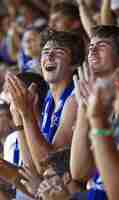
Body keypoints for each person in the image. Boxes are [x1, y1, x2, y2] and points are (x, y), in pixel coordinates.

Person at [5, 30, 84, 199]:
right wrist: (21, 120)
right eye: (46, 53)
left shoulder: (74, 100)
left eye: (58, 52)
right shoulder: (48, 99)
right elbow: (32, 167)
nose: (49, 57)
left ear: (74, 64)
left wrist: (26, 115)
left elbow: (47, 166)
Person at [70, 25, 119, 200]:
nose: (93, 50)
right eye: (90, 47)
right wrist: (85, 109)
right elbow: (79, 172)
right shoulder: (88, 98)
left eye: (102, 46)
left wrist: (97, 117)